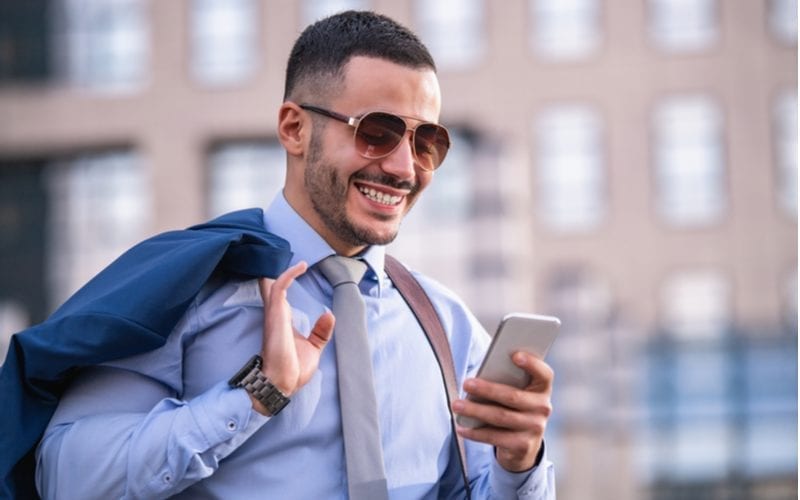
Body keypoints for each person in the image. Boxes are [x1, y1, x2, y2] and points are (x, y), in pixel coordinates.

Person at [34, 10, 556, 499]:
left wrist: (520, 463)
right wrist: (257, 394)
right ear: (294, 128)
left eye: (426, 143)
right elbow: (66, 475)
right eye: (377, 132)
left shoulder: (448, 327)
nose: (404, 168)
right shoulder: (185, 293)